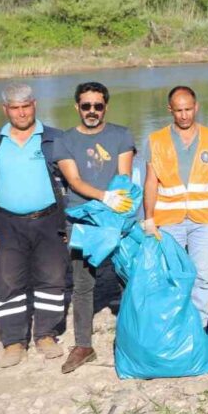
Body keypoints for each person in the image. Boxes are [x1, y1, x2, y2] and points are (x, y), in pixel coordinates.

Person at [54, 81, 136, 374]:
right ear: (77, 106)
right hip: (83, 221)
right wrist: (104, 197)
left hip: (117, 218)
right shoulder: (64, 141)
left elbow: (124, 177)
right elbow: (74, 182)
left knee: (125, 277)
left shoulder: (122, 135)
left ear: (105, 107)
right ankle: (83, 345)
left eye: (97, 106)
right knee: (82, 284)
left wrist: (116, 204)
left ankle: (131, 335)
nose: (92, 111)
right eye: (86, 105)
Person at [0, 83, 68, 368]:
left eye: (26, 106)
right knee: (7, 279)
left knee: (52, 276)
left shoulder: (54, 139)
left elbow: (74, 179)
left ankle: (46, 335)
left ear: (34, 105)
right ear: (6, 110)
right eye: (15, 107)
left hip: (48, 218)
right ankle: (14, 341)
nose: (22, 112)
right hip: (6, 222)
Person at [142, 86, 208, 328]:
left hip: (204, 219)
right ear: (170, 110)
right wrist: (148, 218)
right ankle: (175, 324)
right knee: (173, 275)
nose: (184, 115)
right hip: (169, 220)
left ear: (196, 107)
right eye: (178, 110)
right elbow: (151, 181)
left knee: (202, 275)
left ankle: (199, 325)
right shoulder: (155, 140)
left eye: (188, 109)